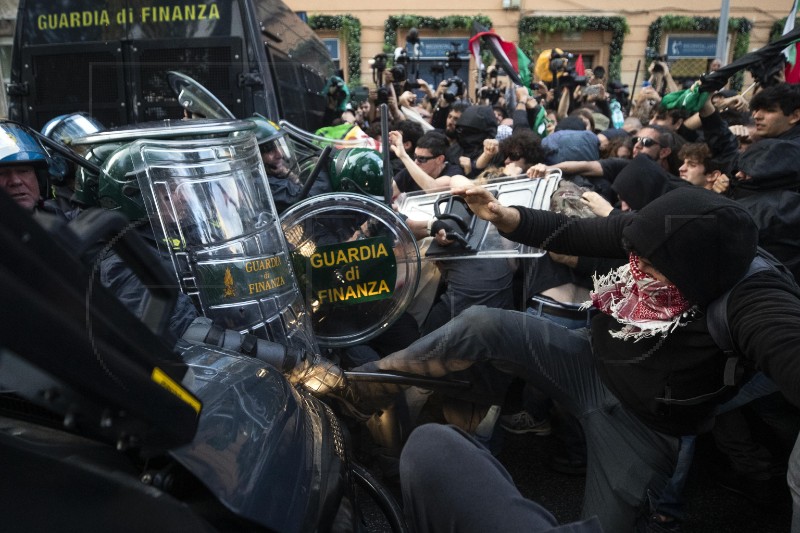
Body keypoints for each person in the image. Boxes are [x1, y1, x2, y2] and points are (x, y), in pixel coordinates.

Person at [352, 180, 800, 532]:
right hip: (584, 362)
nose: (633, 268)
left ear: (699, 272)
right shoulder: (652, 237)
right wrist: (502, 214)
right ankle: (358, 388)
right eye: (633, 256)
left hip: (643, 427)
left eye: (649, 266)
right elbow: (573, 231)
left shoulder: (756, 300)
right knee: (482, 324)